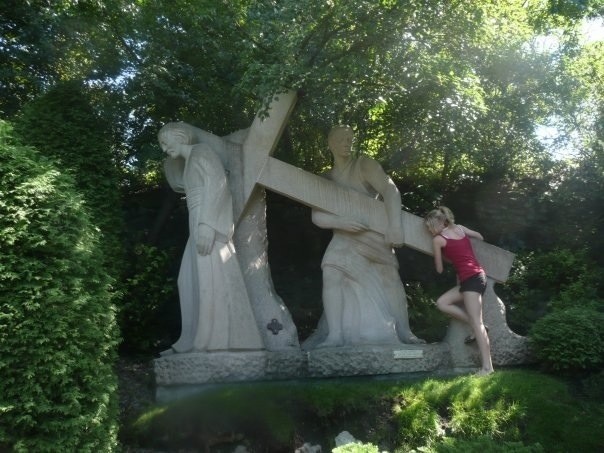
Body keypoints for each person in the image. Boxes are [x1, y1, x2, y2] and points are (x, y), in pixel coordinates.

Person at [309, 125, 424, 347]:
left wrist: (395, 226)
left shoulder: (364, 165)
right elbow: (317, 216)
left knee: (390, 277)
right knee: (331, 273)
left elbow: (390, 191)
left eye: (350, 138)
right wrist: (340, 223)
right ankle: (335, 335)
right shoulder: (326, 178)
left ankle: (405, 331)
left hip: (374, 234)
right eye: (341, 139)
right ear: (330, 143)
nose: (346, 142)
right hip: (344, 236)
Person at [158, 122, 263, 353]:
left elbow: (218, 186)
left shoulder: (202, 152)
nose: (164, 149)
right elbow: (177, 183)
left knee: (211, 278)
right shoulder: (189, 160)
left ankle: (213, 340)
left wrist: (208, 224)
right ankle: (191, 339)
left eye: (165, 142)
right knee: (187, 280)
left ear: (180, 136)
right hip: (197, 221)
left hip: (207, 223)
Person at [424, 206, 493, 375]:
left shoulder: (438, 240)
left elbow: (439, 269)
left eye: (429, 227)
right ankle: (477, 325)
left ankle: (487, 368)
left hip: (471, 280)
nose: (429, 230)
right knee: (442, 303)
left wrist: (443, 255)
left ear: (438, 224)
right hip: (476, 276)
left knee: (478, 324)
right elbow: (480, 236)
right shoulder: (460, 228)